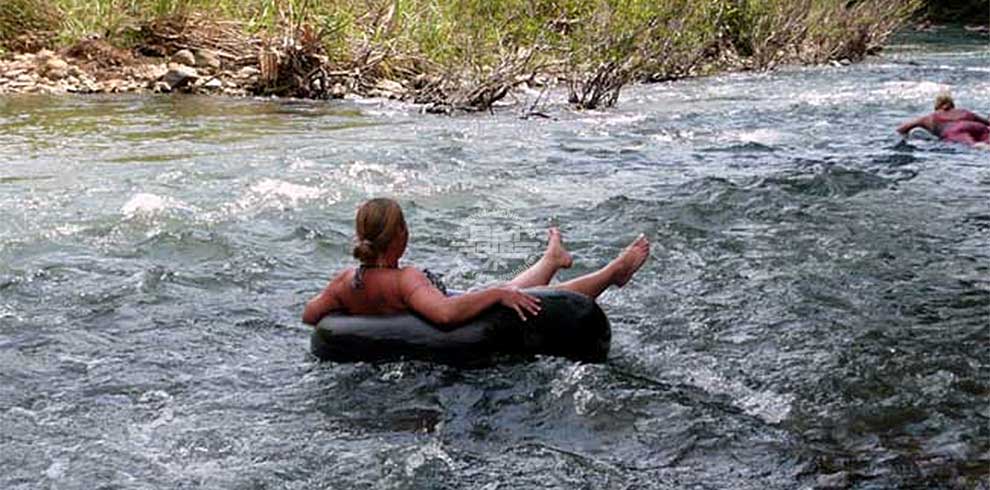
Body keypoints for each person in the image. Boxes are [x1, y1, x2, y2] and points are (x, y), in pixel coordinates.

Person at [302, 198, 650, 326]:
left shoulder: (346, 281)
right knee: (523, 296)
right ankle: (612, 273)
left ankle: (551, 259)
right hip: (451, 317)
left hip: (424, 310)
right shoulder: (404, 279)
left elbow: (310, 316)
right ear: (399, 236)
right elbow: (446, 314)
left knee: (512, 291)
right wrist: (497, 294)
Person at [897, 92, 990, 145]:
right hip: (978, 127)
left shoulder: (930, 117)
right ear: (952, 104)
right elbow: (988, 123)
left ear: (937, 105)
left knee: (975, 146)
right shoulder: (965, 112)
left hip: (954, 130)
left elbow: (902, 128)